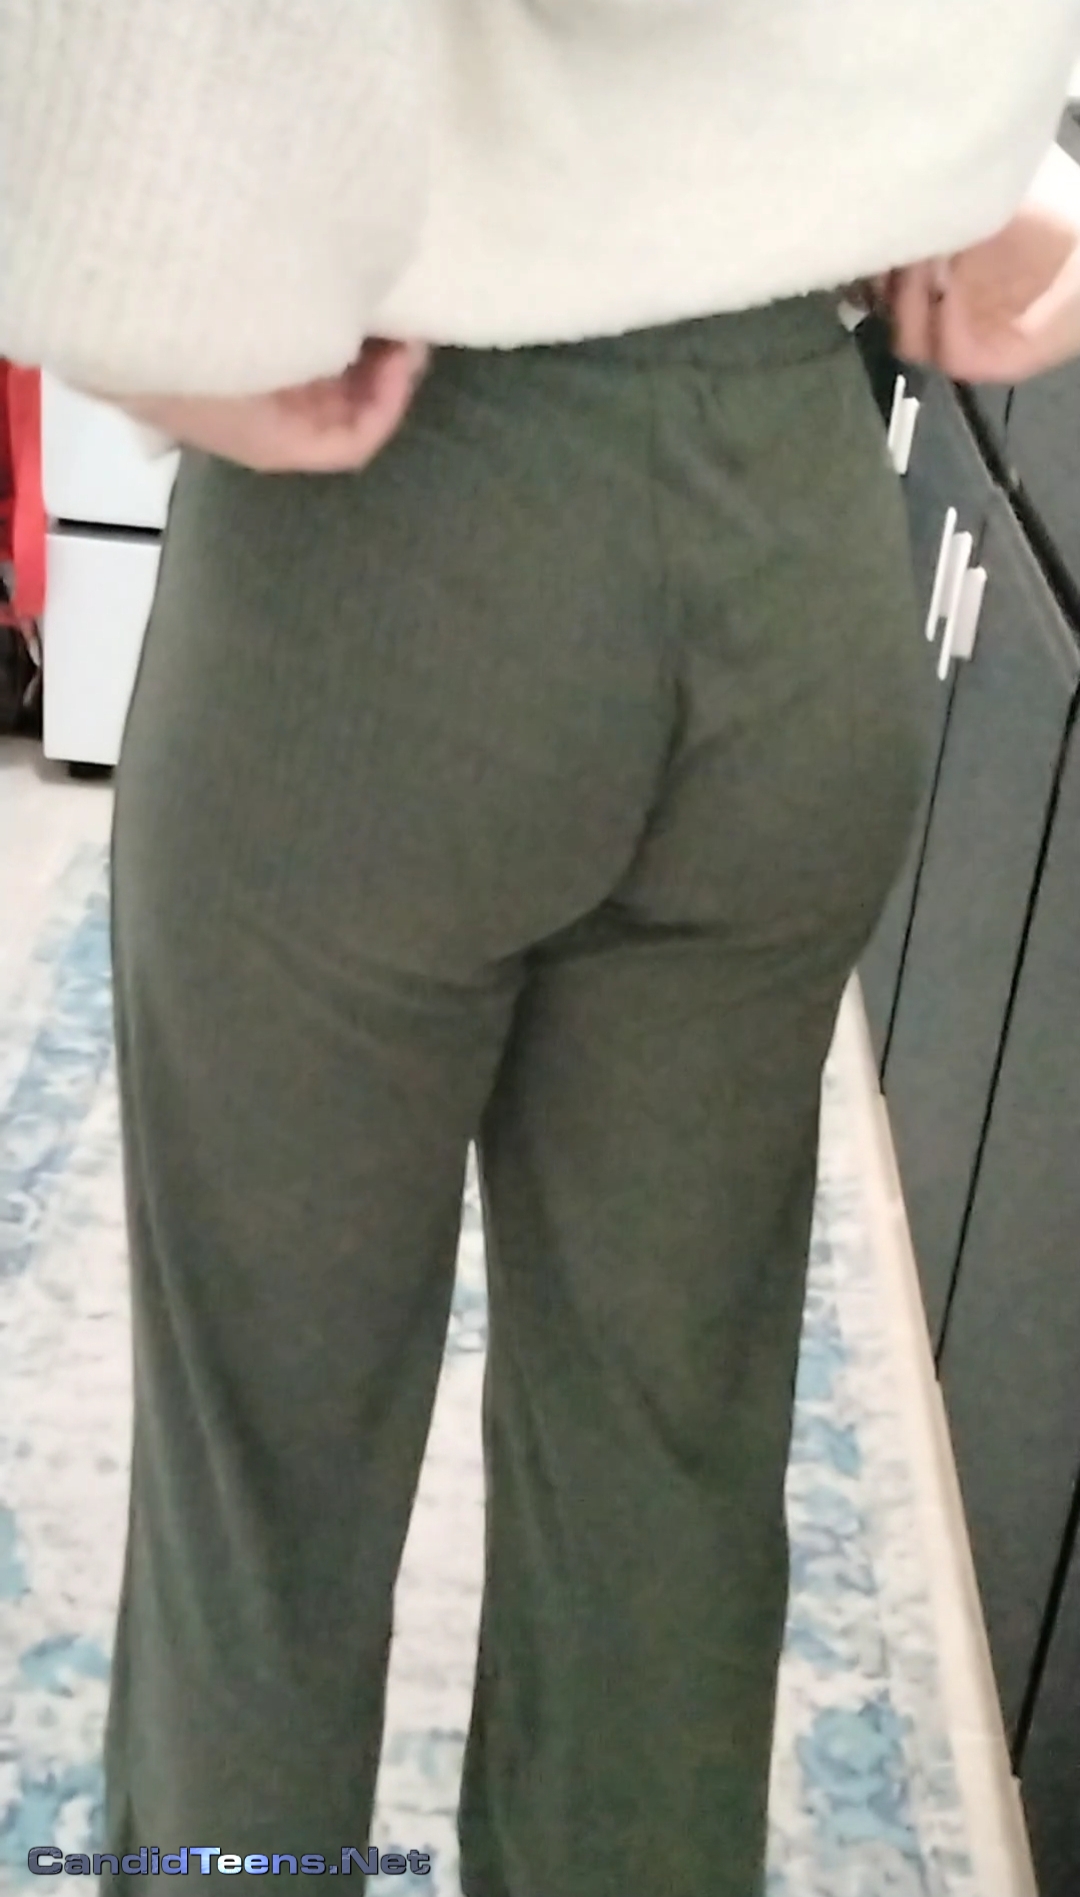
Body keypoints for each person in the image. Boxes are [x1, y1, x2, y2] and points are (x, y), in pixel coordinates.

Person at [3, 5, 1080, 1892]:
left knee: (270, 1494)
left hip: (386, 507)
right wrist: (947, 150)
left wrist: (136, 301)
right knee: (668, 1471)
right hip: (792, 513)